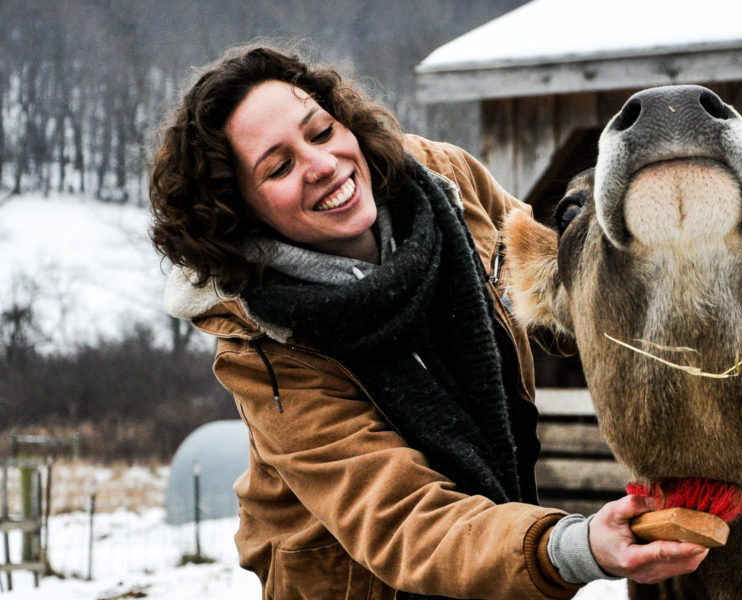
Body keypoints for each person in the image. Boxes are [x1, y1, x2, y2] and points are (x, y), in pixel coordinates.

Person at [149, 44, 708, 600]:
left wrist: (687, 292)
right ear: (240, 211)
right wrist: (575, 548)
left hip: (496, 524)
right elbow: (403, 519)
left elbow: (562, 296)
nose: (322, 165)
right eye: (279, 166)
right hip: (362, 584)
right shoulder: (265, 352)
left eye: (320, 132)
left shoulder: (448, 183)